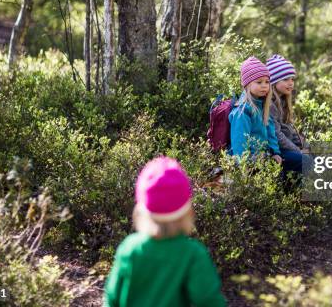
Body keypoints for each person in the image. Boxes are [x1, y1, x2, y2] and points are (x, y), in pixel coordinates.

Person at [104, 157, 226, 307]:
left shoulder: (130, 248)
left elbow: (112, 299)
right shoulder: (192, 254)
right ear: (187, 211)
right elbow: (210, 301)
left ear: (141, 209)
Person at [266, 54, 312, 185]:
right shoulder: (270, 104)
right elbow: (277, 136)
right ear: (274, 81)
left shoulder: (283, 100)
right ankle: (293, 194)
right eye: (285, 79)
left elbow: (289, 130)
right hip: (276, 151)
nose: (291, 83)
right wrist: (298, 150)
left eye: (292, 79)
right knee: (304, 160)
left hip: (286, 148)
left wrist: (304, 145)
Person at [229, 57, 282, 165]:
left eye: (267, 82)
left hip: (265, 157)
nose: (264, 85)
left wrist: (275, 152)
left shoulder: (263, 106)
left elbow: (270, 132)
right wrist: (244, 167)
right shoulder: (242, 112)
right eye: (259, 82)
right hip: (249, 163)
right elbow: (239, 144)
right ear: (248, 84)